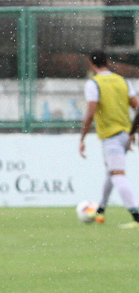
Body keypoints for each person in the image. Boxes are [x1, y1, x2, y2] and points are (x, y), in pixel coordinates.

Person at [80, 50, 139, 228]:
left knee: (117, 174)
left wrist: (82, 137)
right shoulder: (122, 81)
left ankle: (136, 216)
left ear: (91, 63)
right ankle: (101, 211)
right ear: (107, 61)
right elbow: (137, 107)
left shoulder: (93, 84)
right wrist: (132, 132)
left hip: (111, 136)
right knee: (111, 172)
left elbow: (90, 112)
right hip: (124, 134)